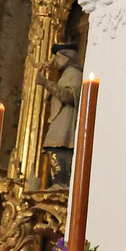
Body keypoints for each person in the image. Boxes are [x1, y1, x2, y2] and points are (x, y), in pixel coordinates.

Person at [35, 42, 82, 188]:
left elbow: (69, 96)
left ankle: (62, 184)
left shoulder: (74, 74)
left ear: (68, 57)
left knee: (59, 153)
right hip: (60, 123)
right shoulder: (65, 75)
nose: (56, 61)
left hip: (66, 126)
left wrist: (46, 83)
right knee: (54, 154)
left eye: (59, 57)